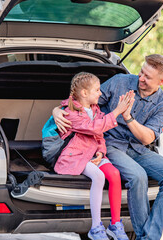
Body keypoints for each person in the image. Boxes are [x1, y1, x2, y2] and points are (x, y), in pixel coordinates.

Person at [54, 54, 163, 240]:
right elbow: (84, 100)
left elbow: (147, 138)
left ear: (162, 81)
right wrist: (57, 110)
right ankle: (145, 237)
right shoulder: (120, 82)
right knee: (138, 177)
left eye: (148, 77)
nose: (141, 78)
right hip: (110, 144)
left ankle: (149, 236)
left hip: (138, 148)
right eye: (141, 72)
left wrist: (128, 117)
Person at [54, 72, 134, 240]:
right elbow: (93, 128)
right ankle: (96, 227)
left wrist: (100, 152)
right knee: (98, 176)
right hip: (76, 156)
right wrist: (117, 111)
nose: (100, 93)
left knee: (114, 174)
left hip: (93, 154)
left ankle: (115, 224)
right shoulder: (71, 113)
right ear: (84, 93)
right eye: (97, 90)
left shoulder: (95, 110)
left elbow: (99, 136)